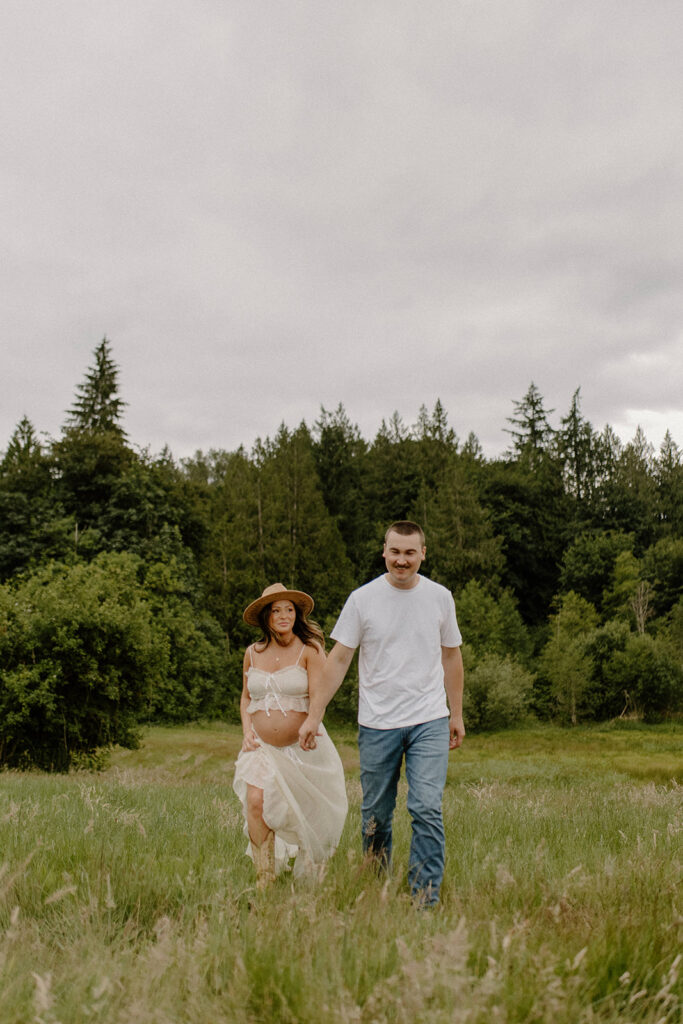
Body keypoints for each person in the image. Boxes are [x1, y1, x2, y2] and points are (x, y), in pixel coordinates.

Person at [298, 521, 464, 906]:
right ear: (384, 552)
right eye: (395, 552)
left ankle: (425, 899)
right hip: (377, 724)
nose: (401, 560)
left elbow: (451, 656)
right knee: (376, 814)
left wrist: (455, 714)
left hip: (429, 719)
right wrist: (314, 714)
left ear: (423, 554)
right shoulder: (362, 599)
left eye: (410, 553)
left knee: (426, 807)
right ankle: (376, 886)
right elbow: (339, 659)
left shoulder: (440, 598)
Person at [233, 582, 348, 888]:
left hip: (302, 747)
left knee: (304, 811)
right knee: (255, 802)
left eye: (289, 610)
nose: (283, 616)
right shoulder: (252, 653)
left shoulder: (310, 650)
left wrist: (312, 722)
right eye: (276, 610)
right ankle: (265, 877)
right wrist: (246, 731)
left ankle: (308, 870)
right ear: (266, 617)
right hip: (261, 747)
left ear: (297, 615)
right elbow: (246, 697)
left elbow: (319, 696)